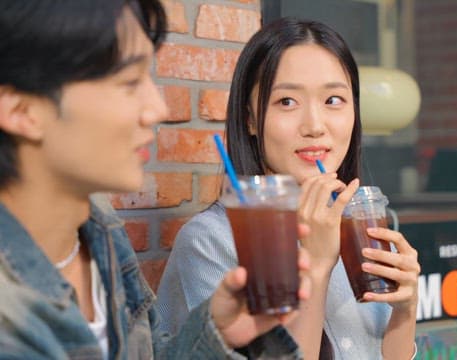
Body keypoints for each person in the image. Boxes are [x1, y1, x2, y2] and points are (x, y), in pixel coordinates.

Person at [0, 1, 312, 358]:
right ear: (22, 109)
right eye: (130, 82)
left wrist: (216, 334)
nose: (158, 109)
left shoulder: (101, 233)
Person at [157, 17, 420, 359]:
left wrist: (406, 307)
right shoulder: (212, 241)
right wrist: (316, 263)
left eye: (333, 100)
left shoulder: (357, 224)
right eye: (287, 102)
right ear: (250, 119)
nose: (314, 126)